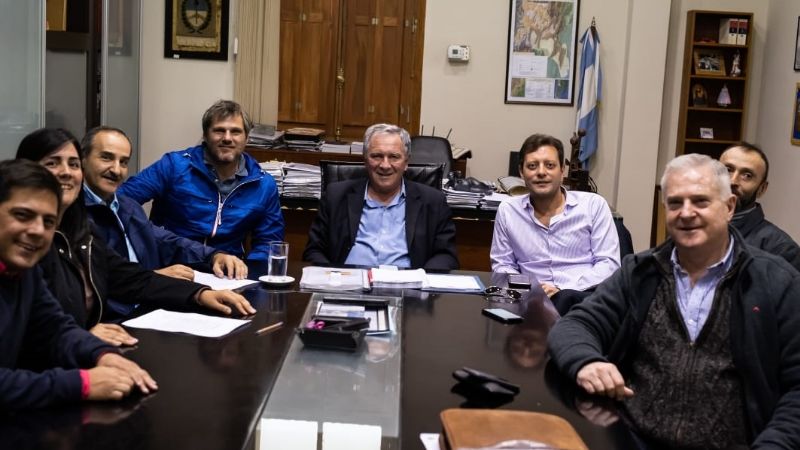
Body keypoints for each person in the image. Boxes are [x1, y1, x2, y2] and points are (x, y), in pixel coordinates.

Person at [548, 153, 800, 448]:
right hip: (633, 440)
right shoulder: (640, 273)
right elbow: (574, 325)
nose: (686, 213)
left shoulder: (775, 281)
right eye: (675, 203)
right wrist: (587, 361)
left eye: (701, 201)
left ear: (729, 207)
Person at [16, 128, 256, 346]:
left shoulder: (83, 230)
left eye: (72, 164)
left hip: (107, 335)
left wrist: (201, 293)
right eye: (53, 163)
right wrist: (81, 335)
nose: (66, 173)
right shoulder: (22, 239)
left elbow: (132, 276)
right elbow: (33, 324)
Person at [0, 159, 158, 409]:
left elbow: (55, 328)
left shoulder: (23, 270)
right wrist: (81, 383)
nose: (38, 231)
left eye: (49, 222)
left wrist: (102, 354)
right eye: (23, 215)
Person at [81, 126, 247, 286]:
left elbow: (167, 241)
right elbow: (92, 279)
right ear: (82, 159)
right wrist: (154, 278)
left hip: (150, 299)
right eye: (106, 158)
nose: (116, 170)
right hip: (118, 310)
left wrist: (214, 256)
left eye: (123, 162)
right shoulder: (72, 213)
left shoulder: (126, 206)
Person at [118, 100, 284, 260]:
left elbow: (268, 242)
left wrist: (250, 272)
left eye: (235, 132)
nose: (227, 138)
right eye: (219, 130)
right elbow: (120, 202)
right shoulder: (174, 166)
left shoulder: (264, 185)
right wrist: (149, 241)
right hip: (171, 263)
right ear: (205, 135)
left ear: (247, 138)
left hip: (227, 271)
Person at [303, 123, 458, 270]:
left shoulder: (433, 201)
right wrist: (333, 278)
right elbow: (314, 251)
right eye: (377, 156)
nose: (385, 165)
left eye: (394, 157)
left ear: (406, 162)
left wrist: (421, 281)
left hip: (407, 290)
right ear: (365, 159)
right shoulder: (336, 196)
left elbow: (446, 255)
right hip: (348, 286)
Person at [490, 133, 619, 300]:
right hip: (530, 301)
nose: (541, 172)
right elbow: (502, 266)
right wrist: (531, 288)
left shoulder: (593, 205)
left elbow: (609, 264)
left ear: (562, 171)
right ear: (521, 172)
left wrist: (563, 290)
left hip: (583, 299)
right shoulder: (508, 211)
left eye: (550, 165)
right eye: (532, 166)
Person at [720, 142, 800, 271]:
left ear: (761, 189)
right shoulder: (688, 223)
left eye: (747, 175)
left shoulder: (781, 249)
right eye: (727, 170)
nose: (732, 181)